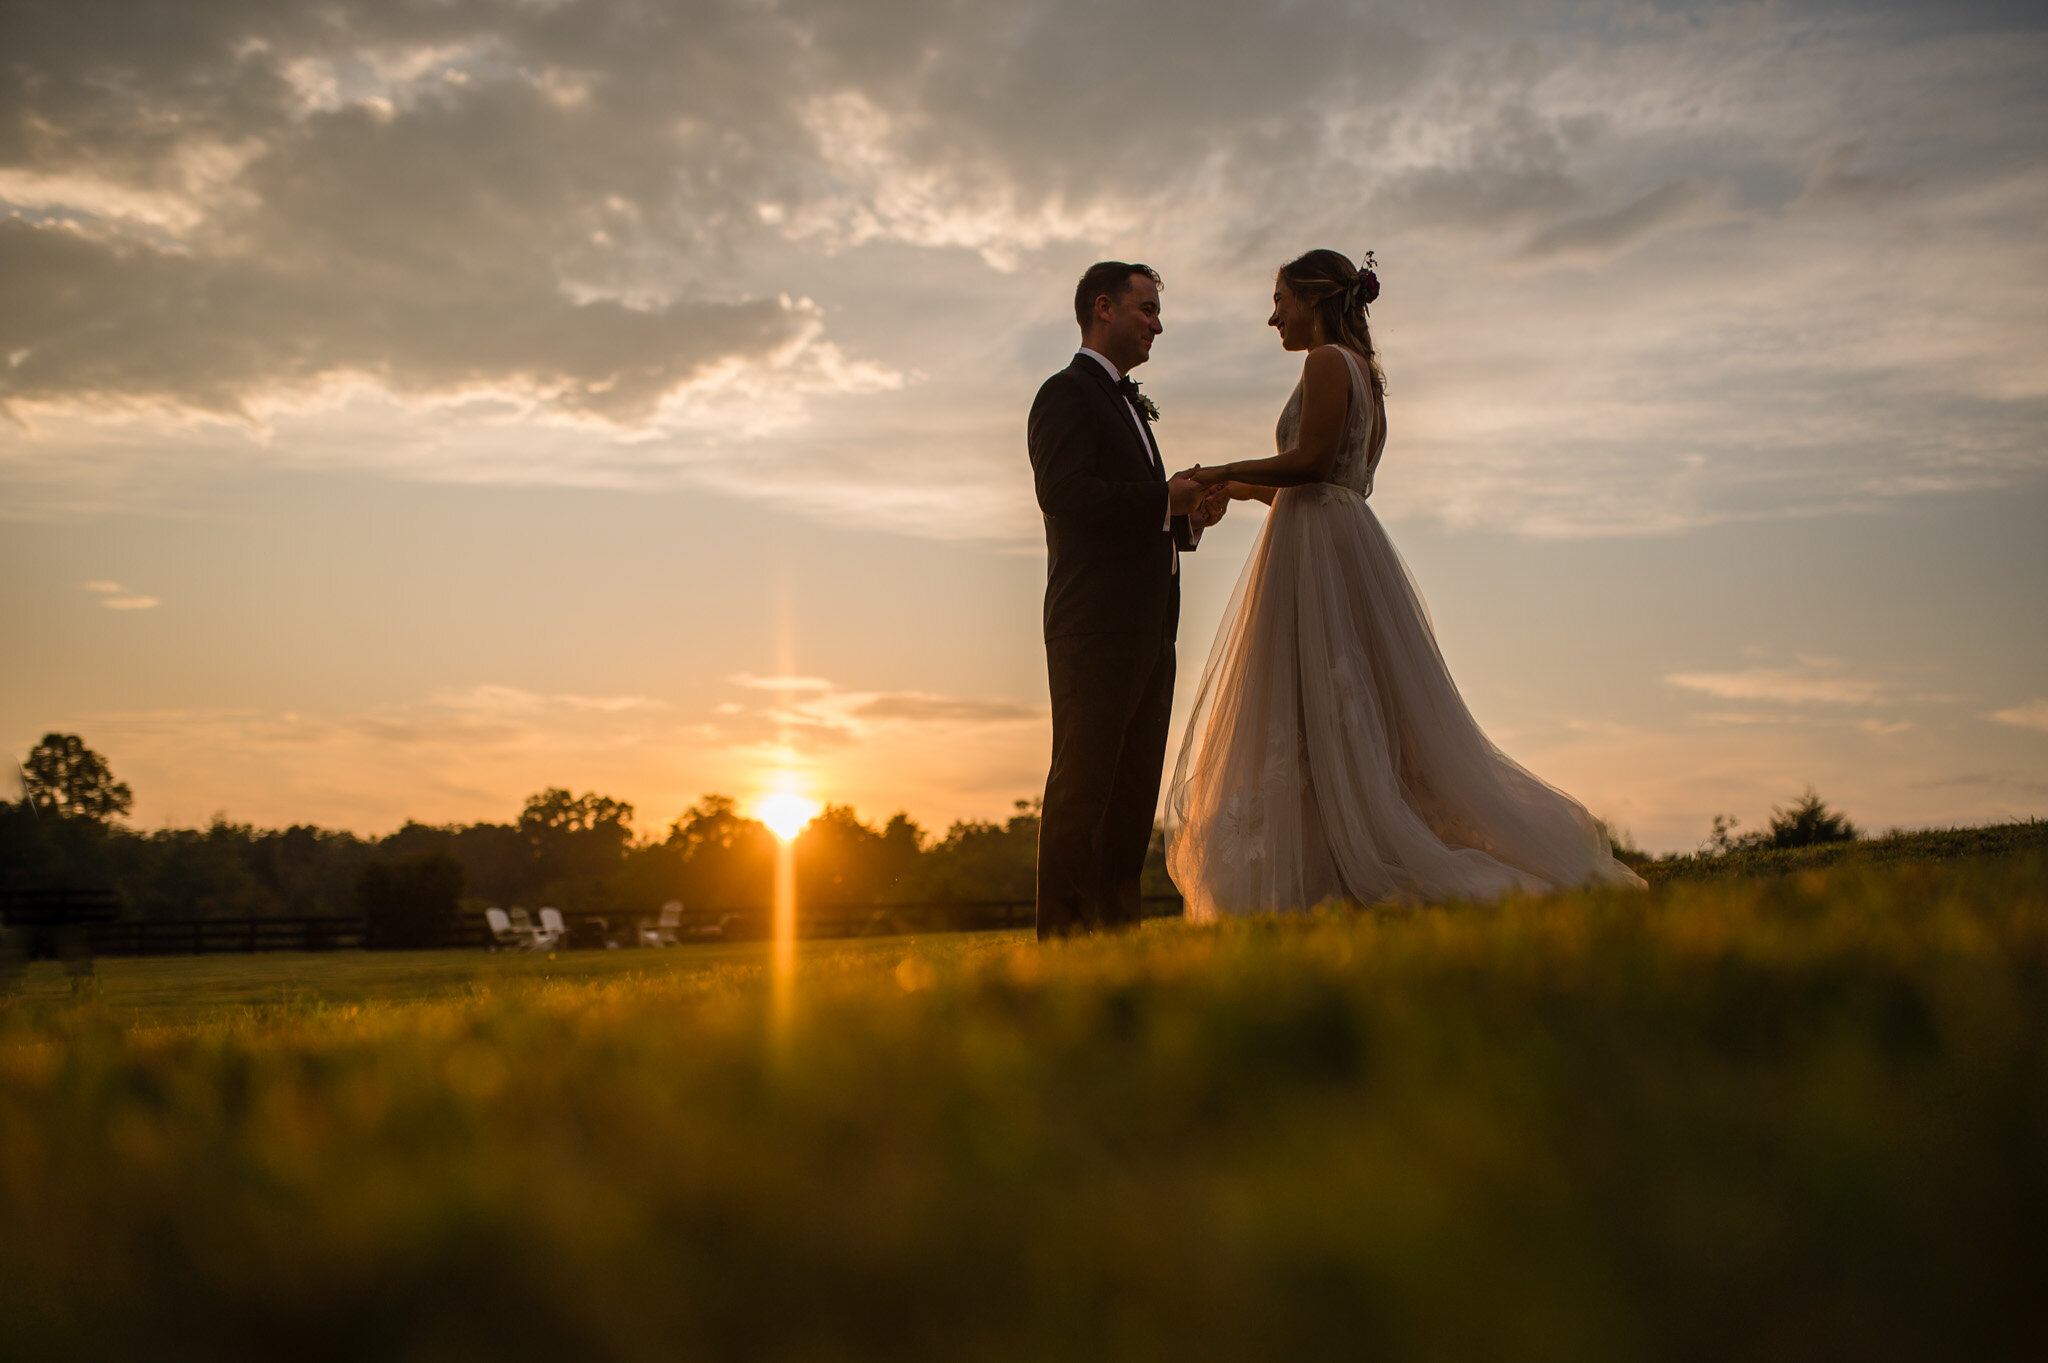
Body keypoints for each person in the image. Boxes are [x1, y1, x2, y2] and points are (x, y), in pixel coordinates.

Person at [1167, 249, 1645, 918]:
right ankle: (1331, 857)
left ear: (1312, 299)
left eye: (1280, 298)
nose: (1271, 315)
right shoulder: (1367, 374)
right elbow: (1321, 480)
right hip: (1333, 537)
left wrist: (1218, 464)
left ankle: (1356, 861)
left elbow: (1307, 462)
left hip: (1320, 554)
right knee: (1339, 705)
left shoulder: (1328, 362)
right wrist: (1234, 490)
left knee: (1318, 702)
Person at [1028, 261, 1229, 939]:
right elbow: (1066, 495)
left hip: (1150, 627)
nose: (1157, 324)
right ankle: (1063, 938)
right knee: (1084, 788)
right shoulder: (1066, 395)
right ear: (1103, 308)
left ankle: (1117, 935)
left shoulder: (1125, 402)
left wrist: (1187, 518)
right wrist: (1160, 497)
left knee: (1132, 793)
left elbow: (1134, 513)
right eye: (1146, 309)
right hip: (1096, 627)